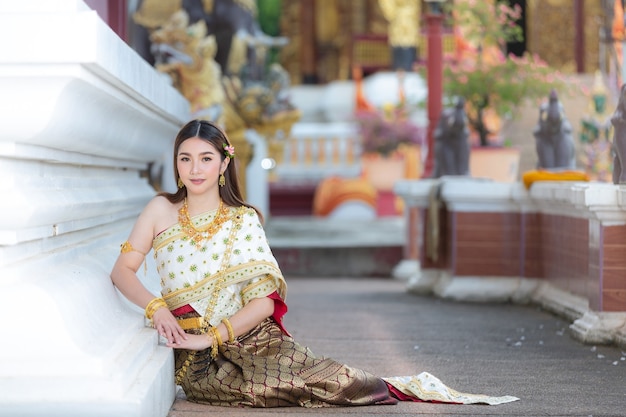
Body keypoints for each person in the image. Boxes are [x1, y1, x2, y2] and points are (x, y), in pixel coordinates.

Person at [110, 119, 519, 408]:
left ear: (223, 163)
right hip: (198, 362)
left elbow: (264, 304)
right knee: (260, 394)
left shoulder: (243, 220)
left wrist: (211, 336)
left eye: (205, 158)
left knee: (333, 383)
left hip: (251, 339)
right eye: (185, 159)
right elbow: (122, 271)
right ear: (176, 164)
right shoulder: (160, 210)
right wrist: (157, 307)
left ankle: (401, 387)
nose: (194, 169)